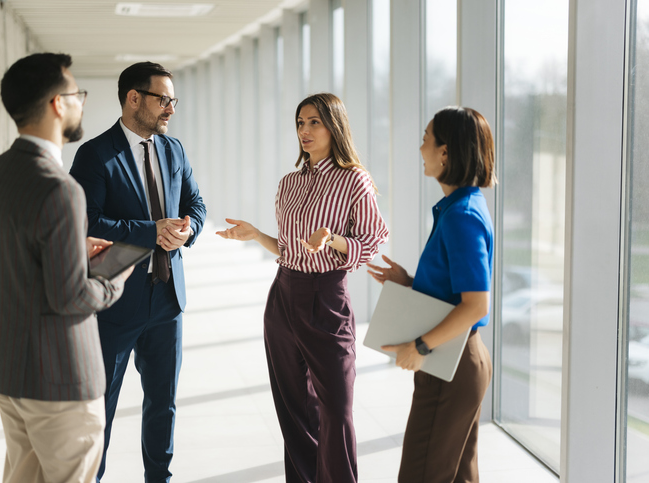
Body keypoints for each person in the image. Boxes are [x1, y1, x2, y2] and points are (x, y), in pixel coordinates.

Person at [0, 53, 132, 483]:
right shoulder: (60, 189)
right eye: (77, 94)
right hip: (58, 377)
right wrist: (114, 275)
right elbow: (72, 297)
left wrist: (69, 248)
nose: (81, 103)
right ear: (59, 104)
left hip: (6, 369)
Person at [217, 93, 389, 483]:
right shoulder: (289, 183)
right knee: (294, 408)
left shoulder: (354, 180)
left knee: (337, 409)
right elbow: (290, 249)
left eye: (314, 122)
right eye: (300, 123)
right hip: (283, 295)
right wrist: (257, 235)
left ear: (334, 126)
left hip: (326, 298)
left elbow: (373, 241)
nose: (305, 131)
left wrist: (333, 240)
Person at [69, 61, 206, 483]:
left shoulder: (175, 149)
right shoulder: (94, 154)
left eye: (173, 100)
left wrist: (187, 232)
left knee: (163, 403)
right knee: (101, 406)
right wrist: (152, 232)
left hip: (168, 299)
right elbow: (85, 222)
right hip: (115, 302)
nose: (170, 109)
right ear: (134, 98)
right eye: (163, 99)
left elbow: (197, 206)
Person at [367, 106, 495, 483]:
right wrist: (409, 282)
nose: (420, 148)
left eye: (425, 139)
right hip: (459, 359)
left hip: (450, 365)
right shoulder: (459, 208)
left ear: (445, 152)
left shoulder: (462, 216)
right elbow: (457, 294)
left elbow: (476, 305)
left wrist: (419, 346)